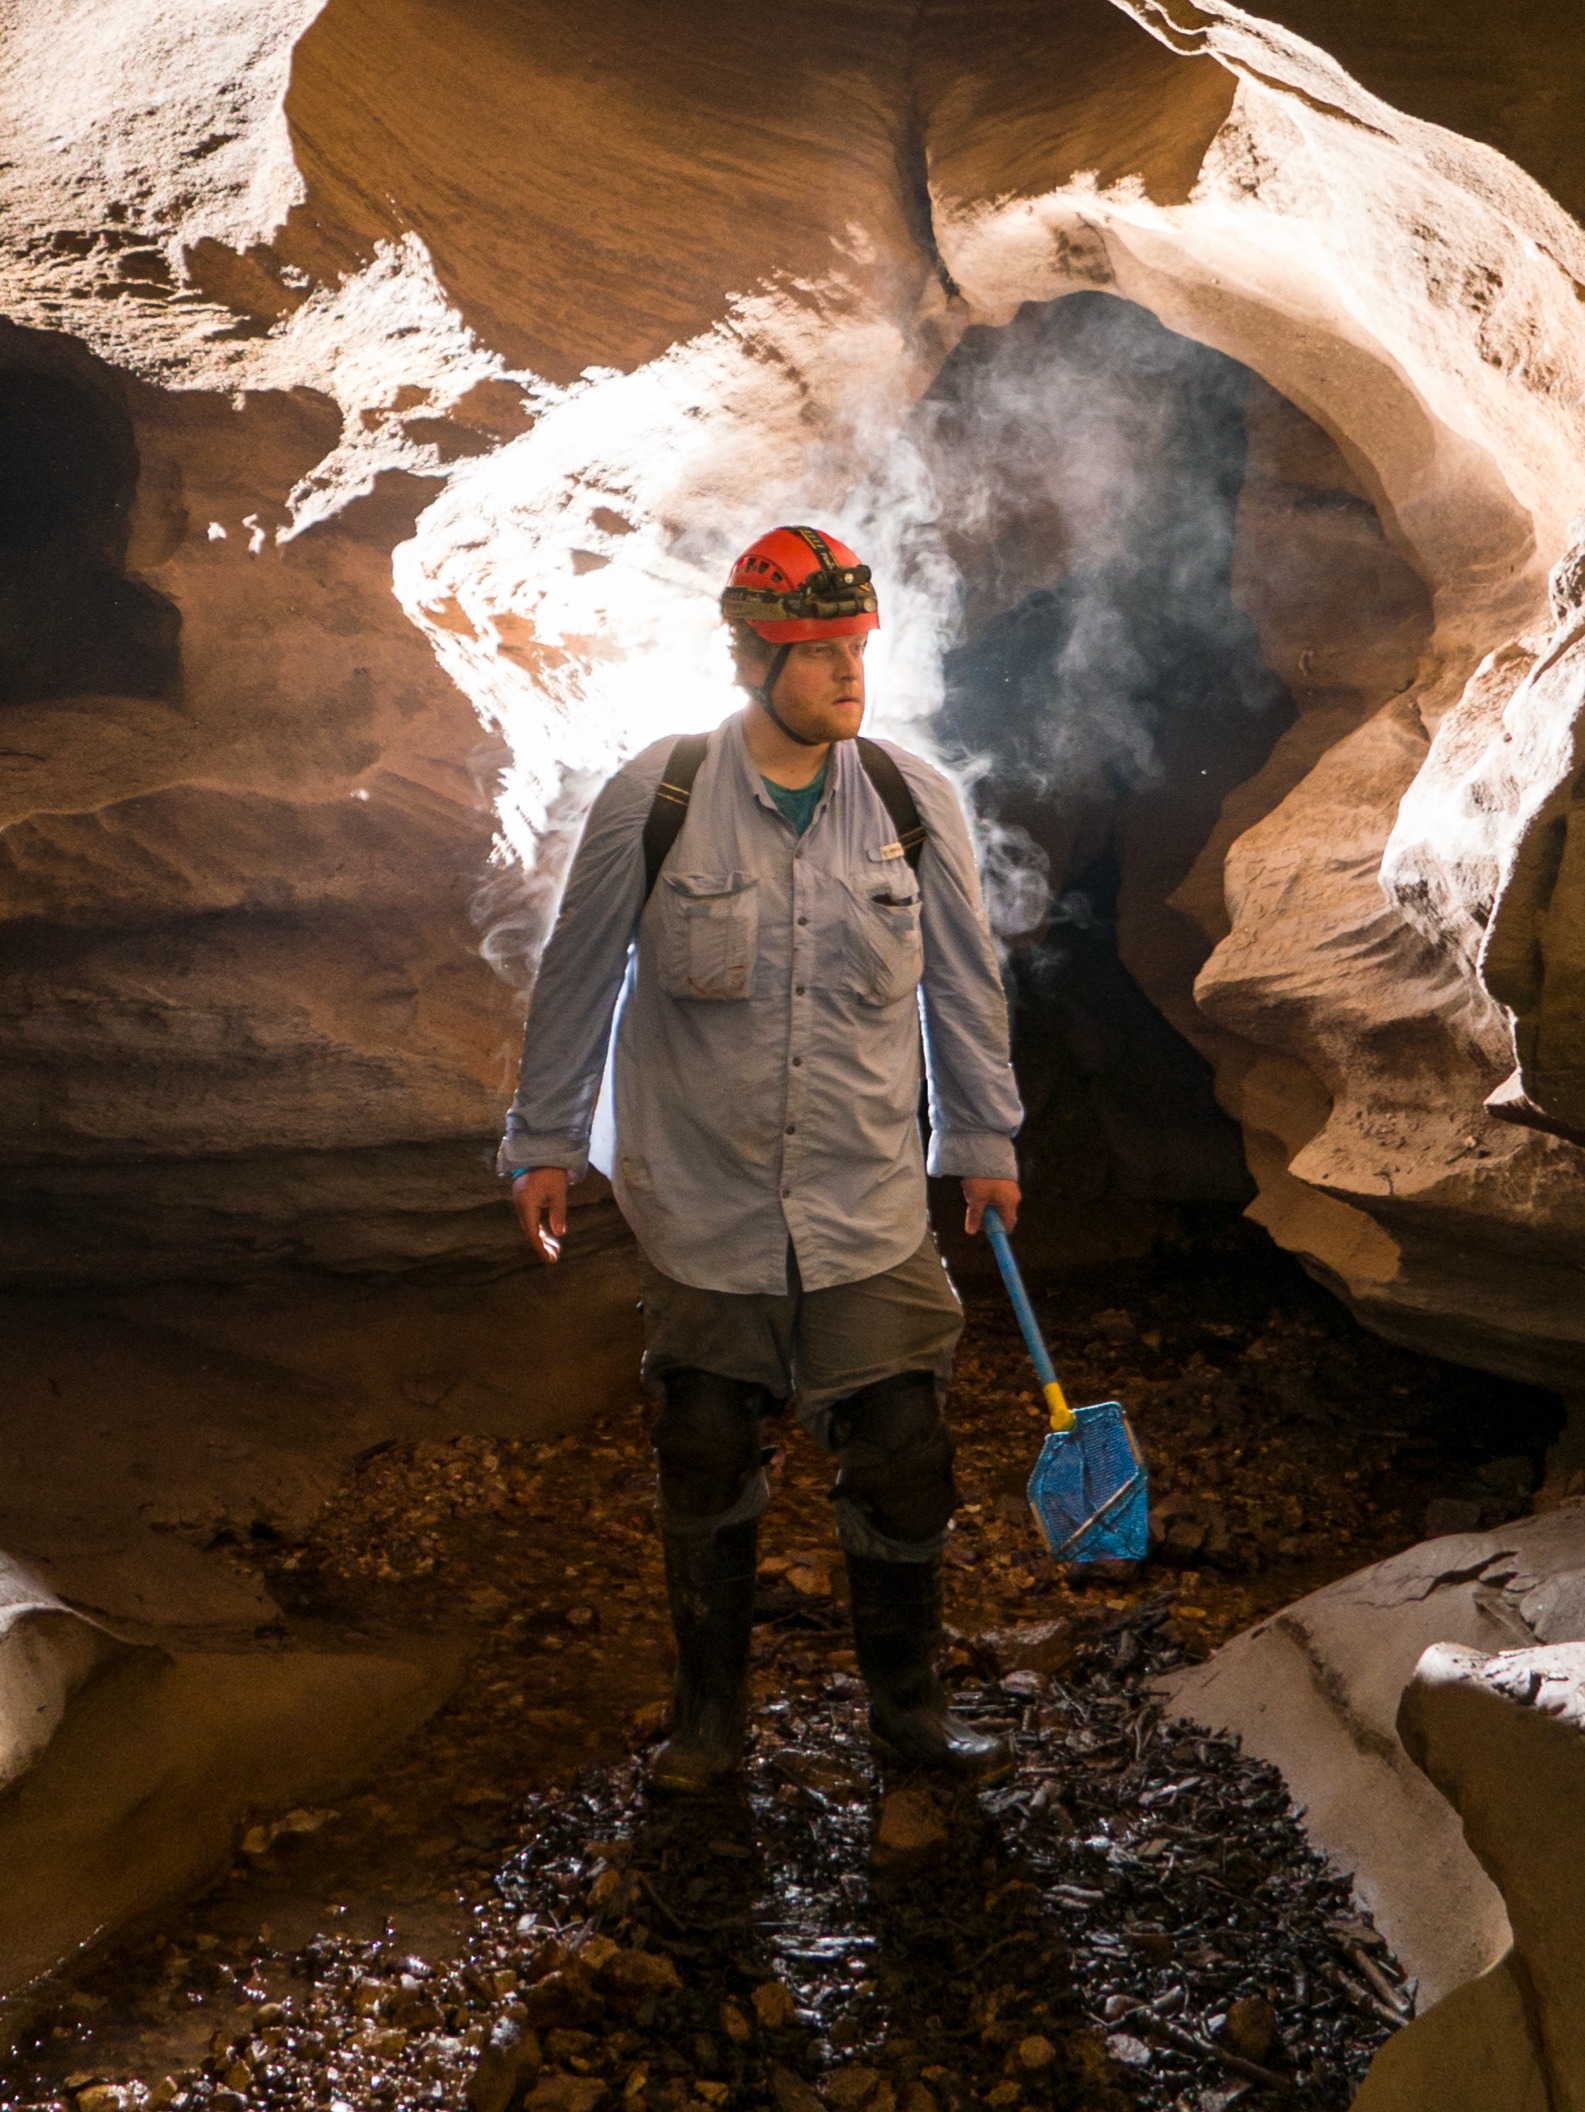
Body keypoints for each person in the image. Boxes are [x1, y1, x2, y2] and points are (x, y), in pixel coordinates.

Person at [502, 524, 1024, 1794]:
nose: (849, 671)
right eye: (818, 650)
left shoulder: (907, 799)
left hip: (866, 1201)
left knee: (903, 1451)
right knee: (704, 1441)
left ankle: (908, 1725)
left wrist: (982, 1138)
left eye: (856, 646)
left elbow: (962, 982)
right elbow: (575, 978)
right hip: (704, 1198)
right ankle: (709, 1729)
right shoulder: (660, 794)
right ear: (754, 659)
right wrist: (546, 1141)